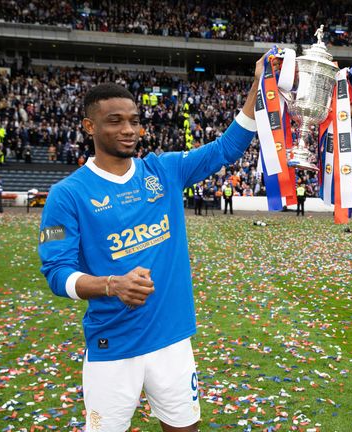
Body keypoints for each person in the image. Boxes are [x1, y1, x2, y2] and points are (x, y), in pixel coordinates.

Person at [38, 54, 263, 432]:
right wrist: (112, 285)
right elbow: (56, 273)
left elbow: (227, 148)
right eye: (116, 121)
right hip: (113, 345)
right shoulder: (67, 194)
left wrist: (260, 84)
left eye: (134, 121)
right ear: (88, 126)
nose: (129, 129)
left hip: (172, 341)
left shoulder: (164, 170)